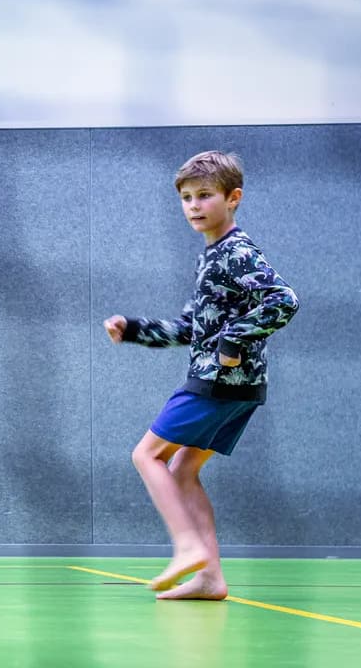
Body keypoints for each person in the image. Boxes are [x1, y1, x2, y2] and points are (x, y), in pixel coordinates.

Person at [103, 150, 298, 600]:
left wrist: (234, 342)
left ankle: (187, 546)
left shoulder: (236, 252)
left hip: (218, 381)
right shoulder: (210, 257)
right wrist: (133, 330)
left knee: (146, 456)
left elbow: (284, 299)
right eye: (187, 197)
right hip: (238, 387)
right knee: (183, 469)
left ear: (233, 198)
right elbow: (190, 327)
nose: (193, 205)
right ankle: (210, 578)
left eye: (204, 195)